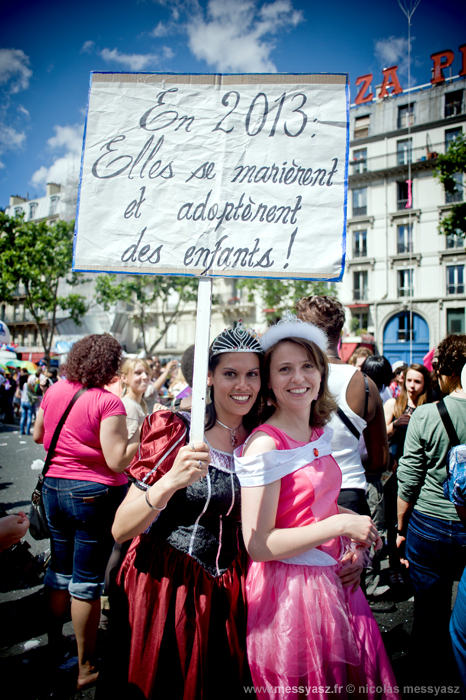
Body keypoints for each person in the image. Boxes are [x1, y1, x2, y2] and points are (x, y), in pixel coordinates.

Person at [236, 312, 399, 698]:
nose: (298, 378)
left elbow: (317, 509)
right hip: (290, 593)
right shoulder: (265, 444)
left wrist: (355, 539)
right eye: (285, 369)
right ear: (269, 383)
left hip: (334, 578)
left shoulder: (318, 432)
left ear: (321, 373)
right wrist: (341, 527)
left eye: (308, 365)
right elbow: (258, 544)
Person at [109, 322, 264, 699]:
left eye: (252, 374)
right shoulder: (177, 430)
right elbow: (120, 529)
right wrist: (169, 482)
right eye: (230, 373)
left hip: (235, 588)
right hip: (168, 585)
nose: (242, 385)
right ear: (207, 377)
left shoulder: (264, 435)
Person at [33, 334, 140, 690]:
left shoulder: (55, 390)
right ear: (110, 366)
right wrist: (141, 436)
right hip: (93, 494)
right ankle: (85, 667)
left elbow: (38, 436)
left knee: (58, 572)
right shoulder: (109, 403)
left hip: (53, 488)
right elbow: (117, 460)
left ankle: (53, 645)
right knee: (86, 582)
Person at [397, 335, 466, 685]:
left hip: (431, 523)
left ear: (444, 372)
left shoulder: (425, 415)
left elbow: (409, 478)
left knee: (428, 613)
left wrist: (399, 528)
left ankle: (429, 680)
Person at [295, 295, 389, 516]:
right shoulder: (365, 384)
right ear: (339, 333)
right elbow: (380, 460)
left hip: (302, 490)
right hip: (350, 492)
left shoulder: (291, 380)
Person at [384, 363, 432, 465]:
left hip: (422, 463)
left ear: (425, 383)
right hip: (397, 463)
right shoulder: (393, 404)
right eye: (409, 380)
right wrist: (395, 424)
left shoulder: (431, 407)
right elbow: (379, 436)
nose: (412, 386)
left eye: (417, 382)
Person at [120, 358, 151, 438]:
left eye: (147, 373)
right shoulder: (130, 406)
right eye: (138, 373)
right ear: (124, 378)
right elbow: (130, 446)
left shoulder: (140, 404)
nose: (144, 377)